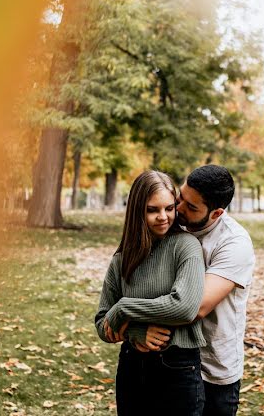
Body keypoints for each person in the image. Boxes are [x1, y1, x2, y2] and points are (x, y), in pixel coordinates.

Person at [117, 165, 256, 416]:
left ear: (216, 213)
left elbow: (193, 308)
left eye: (191, 207)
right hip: (168, 363)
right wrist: (134, 328)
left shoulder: (234, 243)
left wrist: (124, 312)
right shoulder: (171, 225)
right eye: (181, 198)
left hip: (212, 369)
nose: (178, 209)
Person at [94, 170, 206, 415]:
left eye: (169, 208)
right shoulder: (122, 259)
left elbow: (185, 307)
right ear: (137, 211)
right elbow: (103, 322)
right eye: (152, 210)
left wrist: (124, 308)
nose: (163, 217)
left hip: (178, 368)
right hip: (132, 367)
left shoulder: (186, 246)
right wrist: (136, 331)